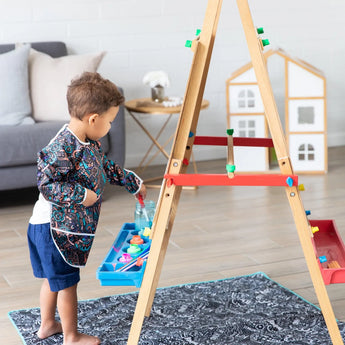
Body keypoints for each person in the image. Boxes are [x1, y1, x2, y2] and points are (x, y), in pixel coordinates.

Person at [27, 72, 146, 345]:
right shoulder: (63, 146)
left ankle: (47, 325)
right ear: (94, 118)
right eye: (110, 121)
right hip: (54, 230)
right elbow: (47, 184)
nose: (110, 127)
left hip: (48, 227)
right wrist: (81, 195)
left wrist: (133, 183)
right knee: (67, 284)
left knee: (52, 279)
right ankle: (71, 336)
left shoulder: (88, 142)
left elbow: (105, 167)